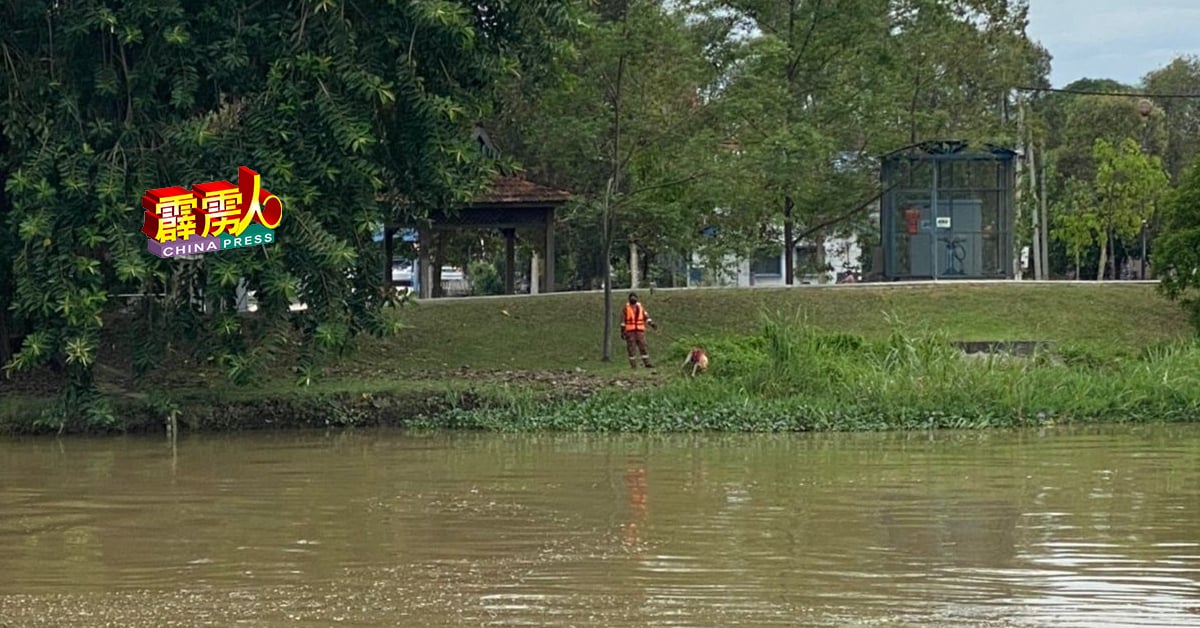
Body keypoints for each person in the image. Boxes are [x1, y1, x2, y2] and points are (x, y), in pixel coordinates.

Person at [620, 292, 657, 369]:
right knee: (631, 348)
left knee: (643, 347)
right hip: (630, 331)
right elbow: (623, 322)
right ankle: (633, 365)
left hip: (640, 331)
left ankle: (647, 363)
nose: (633, 298)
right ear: (629, 298)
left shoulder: (640, 307)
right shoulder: (625, 308)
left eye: (635, 297)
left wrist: (652, 324)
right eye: (632, 297)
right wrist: (622, 331)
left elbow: (646, 317)